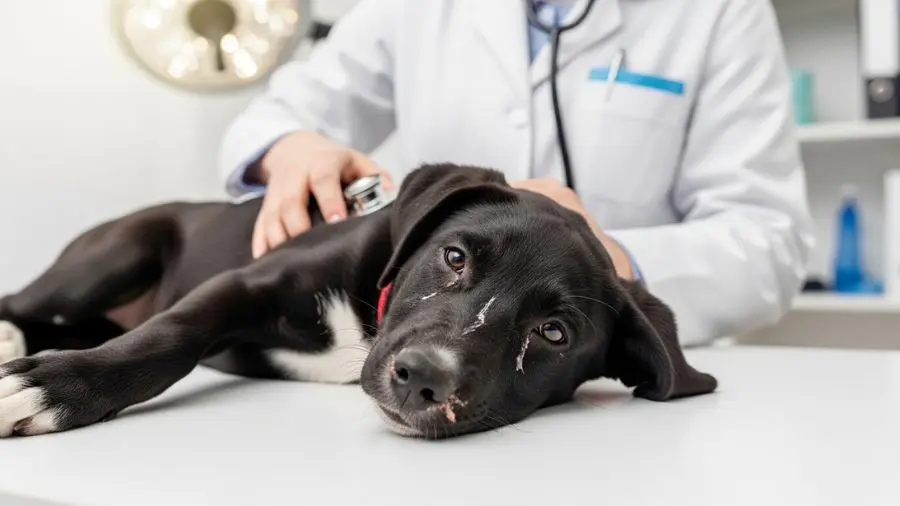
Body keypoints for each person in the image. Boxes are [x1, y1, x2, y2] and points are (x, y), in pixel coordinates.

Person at [217, 0, 815, 346]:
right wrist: (291, 145)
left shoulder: (718, 11)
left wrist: (605, 264)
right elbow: (273, 116)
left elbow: (769, 243)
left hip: (606, 386)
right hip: (431, 357)